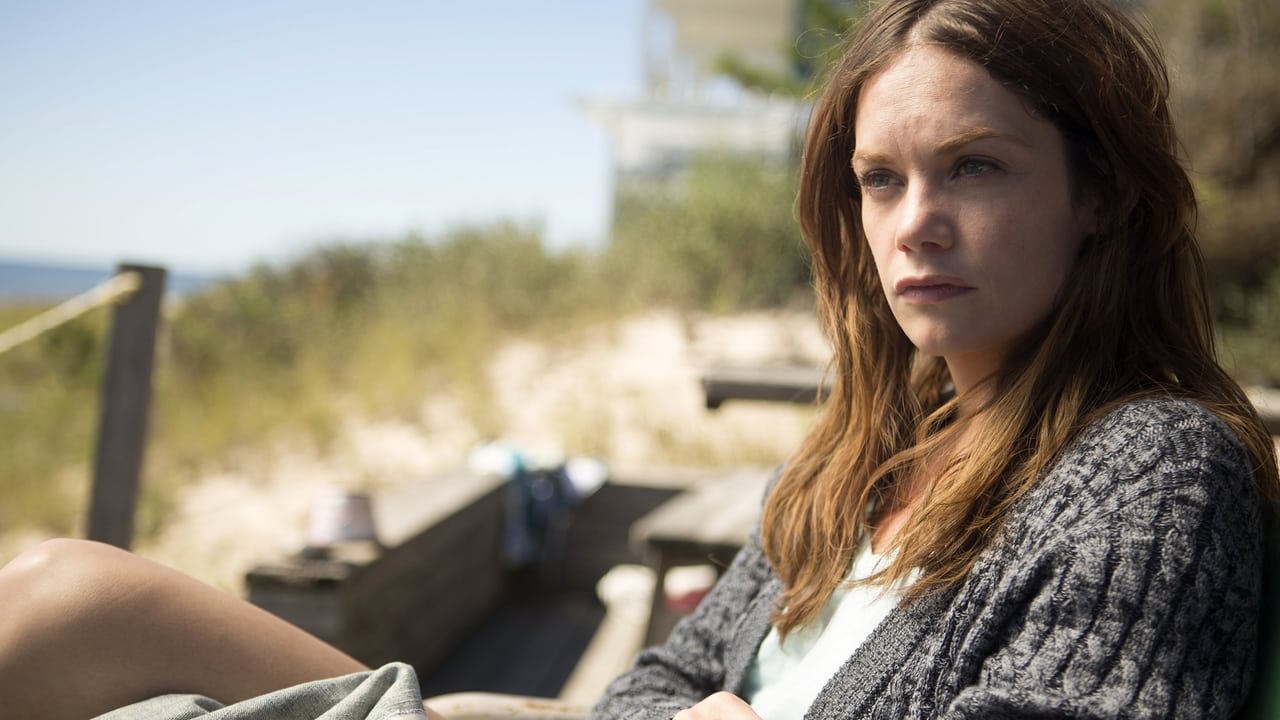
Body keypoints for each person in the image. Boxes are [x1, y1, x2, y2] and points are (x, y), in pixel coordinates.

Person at [0, 0, 1274, 718]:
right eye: (879, 181)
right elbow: (658, 681)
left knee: (81, 609)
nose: (912, 224)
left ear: (1099, 194)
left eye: (974, 167)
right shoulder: (871, 455)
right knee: (77, 615)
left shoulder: (1149, 472)